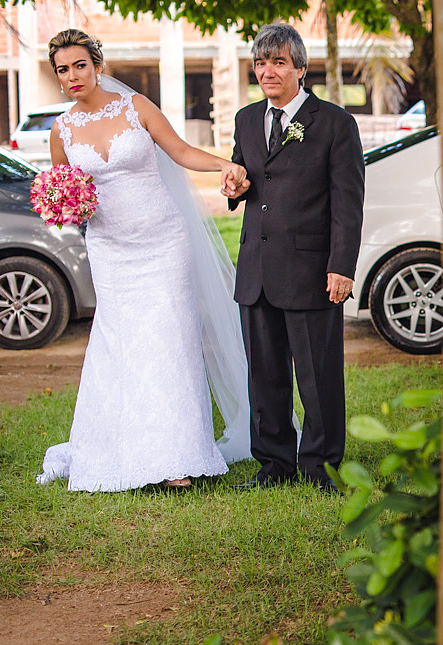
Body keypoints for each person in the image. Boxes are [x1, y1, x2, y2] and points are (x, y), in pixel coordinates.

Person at [37, 29, 252, 492]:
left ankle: (177, 456)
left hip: (161, 242)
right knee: (121, 345)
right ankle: (117, 448)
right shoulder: (62, 131)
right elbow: (60, 189)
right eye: (62, 69)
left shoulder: (136, 109)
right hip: (111, 250)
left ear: (97, 65)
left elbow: (180, 151)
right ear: (57, 77)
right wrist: (64, 204)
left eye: (79, 65)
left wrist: (223, 165)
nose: (72, 75)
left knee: (170, 341)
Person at [224, 23, 364, 493]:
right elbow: (244, 179)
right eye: (260, 63)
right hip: (256, 272)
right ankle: (273, 463)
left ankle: (322, 466)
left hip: (311, 271)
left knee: (318, 377)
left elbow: (348, 202)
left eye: (278, 62)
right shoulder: (246, 119)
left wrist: (341, 265)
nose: (267, 71)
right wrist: (234, 187)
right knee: (264, 377)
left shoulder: (335, 124)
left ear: (300, 69)